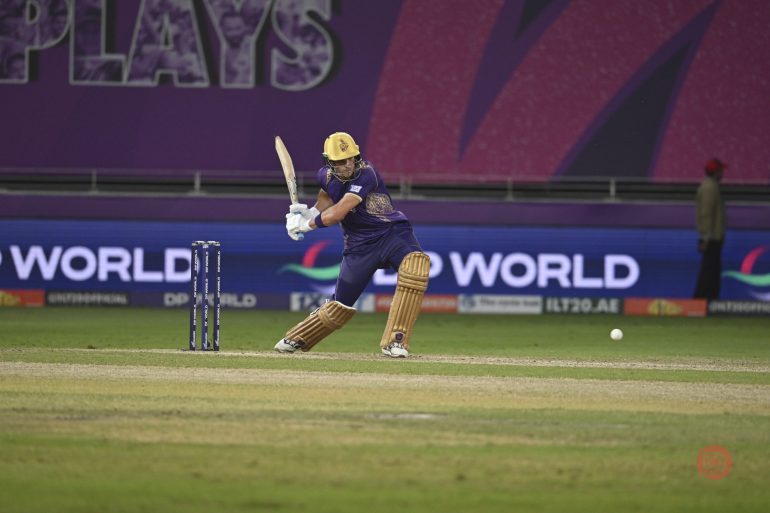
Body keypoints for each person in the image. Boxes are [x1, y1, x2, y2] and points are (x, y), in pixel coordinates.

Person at [275, 132, 430, 358]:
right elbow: (326, 199)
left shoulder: (367, 173)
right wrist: (309, 212)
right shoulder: (325, 176)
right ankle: (298, 337)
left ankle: (396, 341)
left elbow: (338, 212)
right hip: (359, 244)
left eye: (350, 158)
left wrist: (305, 225)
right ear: (329, 162)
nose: (347, 165)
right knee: (340, 305)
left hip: (392, 233)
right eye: (339, 161)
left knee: (415, 267)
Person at [693, 158, 727, 300]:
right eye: (721, 171)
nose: (723, 173)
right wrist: (705, 237)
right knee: (709, 271)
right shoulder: (709, 188)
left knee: (711, 270)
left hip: (713, 237)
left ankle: (708, 299)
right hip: (711, 238)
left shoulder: (711, 186)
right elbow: (706, 213)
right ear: (716, 172)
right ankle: (703, 300)